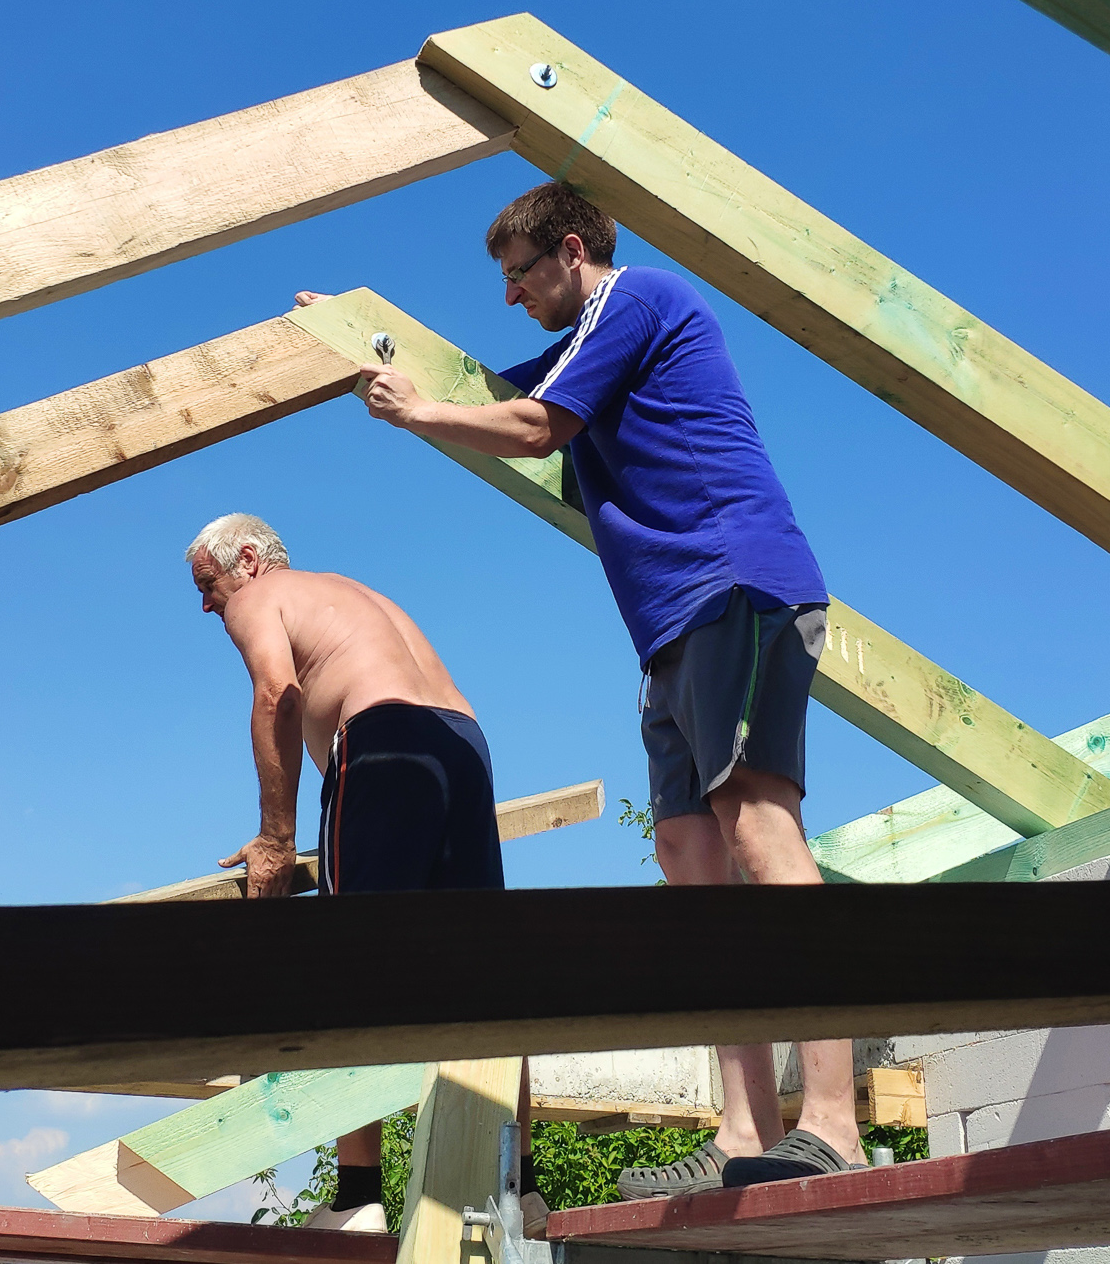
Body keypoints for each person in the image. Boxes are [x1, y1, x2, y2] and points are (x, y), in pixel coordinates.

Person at [298, 181, 867, 1194]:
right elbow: (478, 385)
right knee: (689, 857)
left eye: (519, 274)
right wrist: (359, 344)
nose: (510, 296)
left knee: (758, 829)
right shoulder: (582, 344)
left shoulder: (637, 297)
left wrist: (417, 410)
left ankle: (832, 1122)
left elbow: (531, 425)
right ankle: (745, 1128)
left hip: (735, 584)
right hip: (668, 628)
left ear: (571, 248)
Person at [185, 512, 542, 1233]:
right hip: (464, 744)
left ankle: (356, 1196)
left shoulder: (262, 596)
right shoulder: (352, 594)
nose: (206, 605)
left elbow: (278, 694)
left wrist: (276, 839)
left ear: (247, 559)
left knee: (352, 963)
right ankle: (519, 1188)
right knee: (485, 974)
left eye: (207, 583)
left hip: (382, 742)